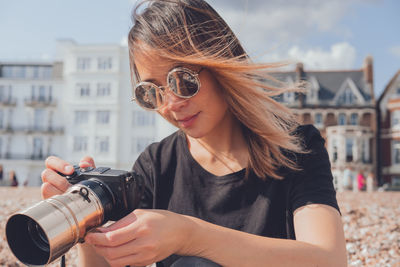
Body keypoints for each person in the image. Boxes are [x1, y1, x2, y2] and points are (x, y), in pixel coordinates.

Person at [41, 0, 347, 266]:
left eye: (183, 80)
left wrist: (190, 236)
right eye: (152, 92)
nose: (172, 104)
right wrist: (84, 220)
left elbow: (328, 260)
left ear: (220, 64)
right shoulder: (156, 164)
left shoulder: (296, 147)